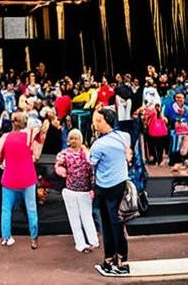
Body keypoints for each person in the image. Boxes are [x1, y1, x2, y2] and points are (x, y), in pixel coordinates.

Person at [90, 108, 132, 276]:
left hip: (104, 187)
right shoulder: (125, 137)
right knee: (118, 224)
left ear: (105, 121)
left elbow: (92, 162)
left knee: (107, 225)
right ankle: (122, 261)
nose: (95, 124)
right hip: (120, 184)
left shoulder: (98, 145)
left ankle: (110, 261)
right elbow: (127, 153)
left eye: (98, 121)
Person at [0, 111, 41, 249]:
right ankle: (34, 238)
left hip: (10, 177)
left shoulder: (5, 137)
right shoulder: (29, 136)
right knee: (31, 209)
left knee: (6, 209)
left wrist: (4, 166)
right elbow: (40, 130)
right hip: (28, 176)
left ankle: (6, 237)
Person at [55, 129, 99, 253]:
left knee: (87, 216)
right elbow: (58, 166)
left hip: (85, 191)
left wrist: (93, 187)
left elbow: (92, 171)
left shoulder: (86, 153)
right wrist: (62, 172)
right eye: (71, 138)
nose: (74, 140)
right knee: (74, 218)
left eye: (76, 138)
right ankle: (80, 243)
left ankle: (93, 240)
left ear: (81, 139)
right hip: (70, 190)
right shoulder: (64, 154)